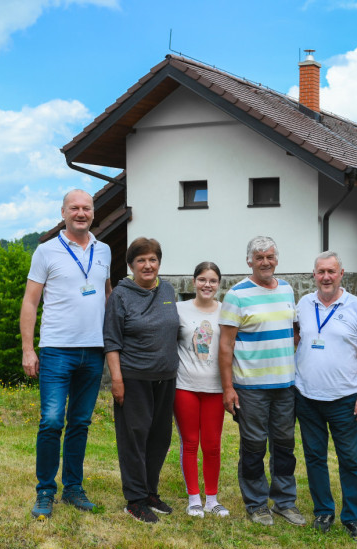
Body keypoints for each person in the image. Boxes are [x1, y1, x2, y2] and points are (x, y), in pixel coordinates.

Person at [20, 189, 112, 519]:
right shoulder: (46, 252)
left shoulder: (104, 250)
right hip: (57, 350)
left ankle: (73, 488)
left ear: (93, 212)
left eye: (86, 208)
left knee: (80, 423)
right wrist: (28, 349)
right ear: (63, 212)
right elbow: (30, 302)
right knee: (51, 421)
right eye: (74, 208)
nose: (81, 213)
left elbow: (106, 293)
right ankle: (45, 490)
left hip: (94, 349)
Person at [218, 236, 305, 526]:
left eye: (270, 257)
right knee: (254, 446)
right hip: (250, 388)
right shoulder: (236, 295)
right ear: (249, 261)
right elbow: (226, 346)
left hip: (284, 386)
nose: (265, 262)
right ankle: (256, 504)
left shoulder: (287, 290)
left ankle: (284, 502)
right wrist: (228, 388)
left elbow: (293, 329)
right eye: (259, 258)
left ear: (276, 259)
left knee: (284, 446)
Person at [294, 251, 357, 540]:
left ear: (342, 273)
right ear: (313, 275)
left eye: (331, 271)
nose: (326, 277)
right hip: (307, 397)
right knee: (315, 458)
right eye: (320, 272)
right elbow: (297, 340)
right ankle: (323, 511)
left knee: (350, 461)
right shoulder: (304, 304)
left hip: (344, 399)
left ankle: (352, 518)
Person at [103, 237, 179, 523]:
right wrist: (117, 380)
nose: (148, 265)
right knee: (134, 438)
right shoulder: (121, 296)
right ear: (132, 265)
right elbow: (111, 340)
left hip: (166, 377)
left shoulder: (168, 289)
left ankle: (150, 492)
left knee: (160, 438)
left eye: (153, 259)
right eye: (141, 260)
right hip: (134, 377)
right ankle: (134, 500)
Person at [174, 262, 230, 518]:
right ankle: (194, 498)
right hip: (185, 386)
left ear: (219, 284)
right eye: (202, 279)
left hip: (215, 388)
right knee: (190, 443)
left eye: (212, 280)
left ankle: (212, 499)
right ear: (194, 281)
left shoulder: (226, 311)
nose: (207, 285)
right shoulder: (179, 310)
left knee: (212, 445)